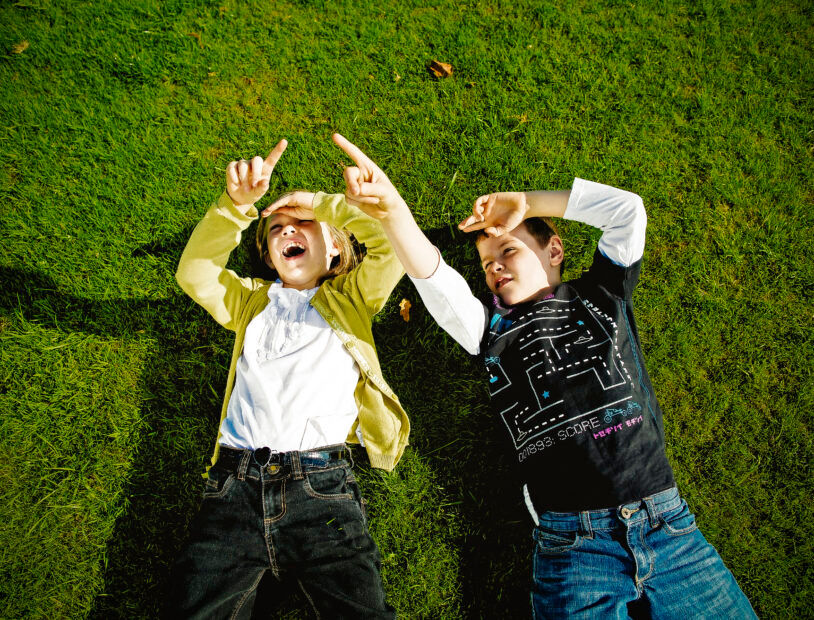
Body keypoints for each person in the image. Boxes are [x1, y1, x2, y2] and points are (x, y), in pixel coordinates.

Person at [331, 133, 757, 618]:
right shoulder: (488, 332)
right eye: (487, 265)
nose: (494, 268)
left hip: (671, 529)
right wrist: (392, 213)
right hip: (573, 546)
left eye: (508, 251)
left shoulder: (603, 294)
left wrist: (527, 202)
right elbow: (434, 277)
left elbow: (628, 212)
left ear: (554, 250)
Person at [167, 138, 408, 619]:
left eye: (302, 226)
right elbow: (195, 274)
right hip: (234, 486)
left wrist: (323, 203)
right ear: (270, 257)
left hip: (322, 487)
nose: (286, 232)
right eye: (276, 229)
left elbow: (391, 246)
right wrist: (234, 208)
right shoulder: (250, 302)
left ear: (336, 249)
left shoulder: (352, 298)